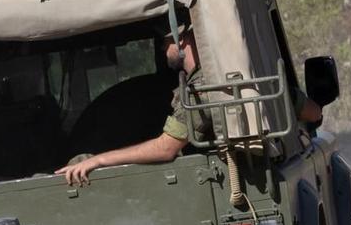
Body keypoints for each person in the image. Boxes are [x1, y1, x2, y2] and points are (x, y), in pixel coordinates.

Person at [55, 26, 323, 186]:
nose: (163, 48)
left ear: (183, 39)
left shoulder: (202, 88)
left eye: (166, 41)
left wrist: (99, 160)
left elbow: (166, 148)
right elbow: (313, 112)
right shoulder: (243, 71)